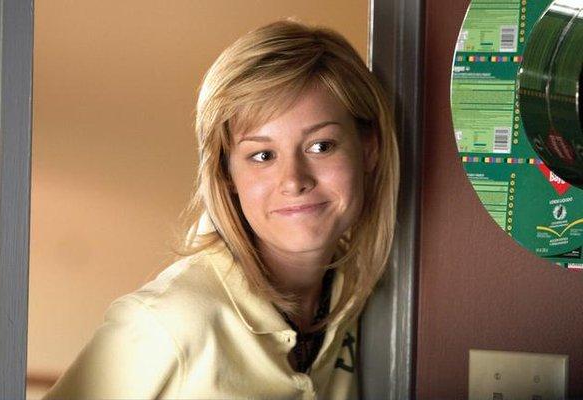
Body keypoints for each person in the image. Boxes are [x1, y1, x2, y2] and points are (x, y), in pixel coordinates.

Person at [42, 18, 399, 400]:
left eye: (321, 146)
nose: (294, 180)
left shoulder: (369, 302)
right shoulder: (167, 322)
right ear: (225, 173)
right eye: (262, 155)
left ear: (369, 149)